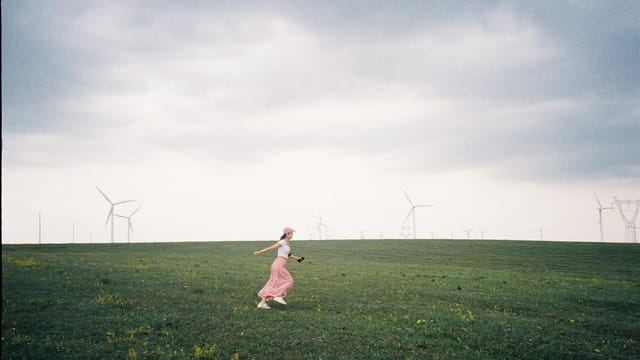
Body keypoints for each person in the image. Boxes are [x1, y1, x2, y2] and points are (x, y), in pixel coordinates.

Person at [253, 227, 304, 309]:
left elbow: (288, 255)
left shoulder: (287, 244)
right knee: (289, 280)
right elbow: (271, 248)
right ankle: (278, 295)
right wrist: (259, 252)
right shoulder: (282, 242)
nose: (292, 235)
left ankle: (262, 303)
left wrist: (298, 258)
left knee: (273, 283)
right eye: (291, 233)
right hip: (278, 264)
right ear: (287, 234)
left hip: (279, 264)